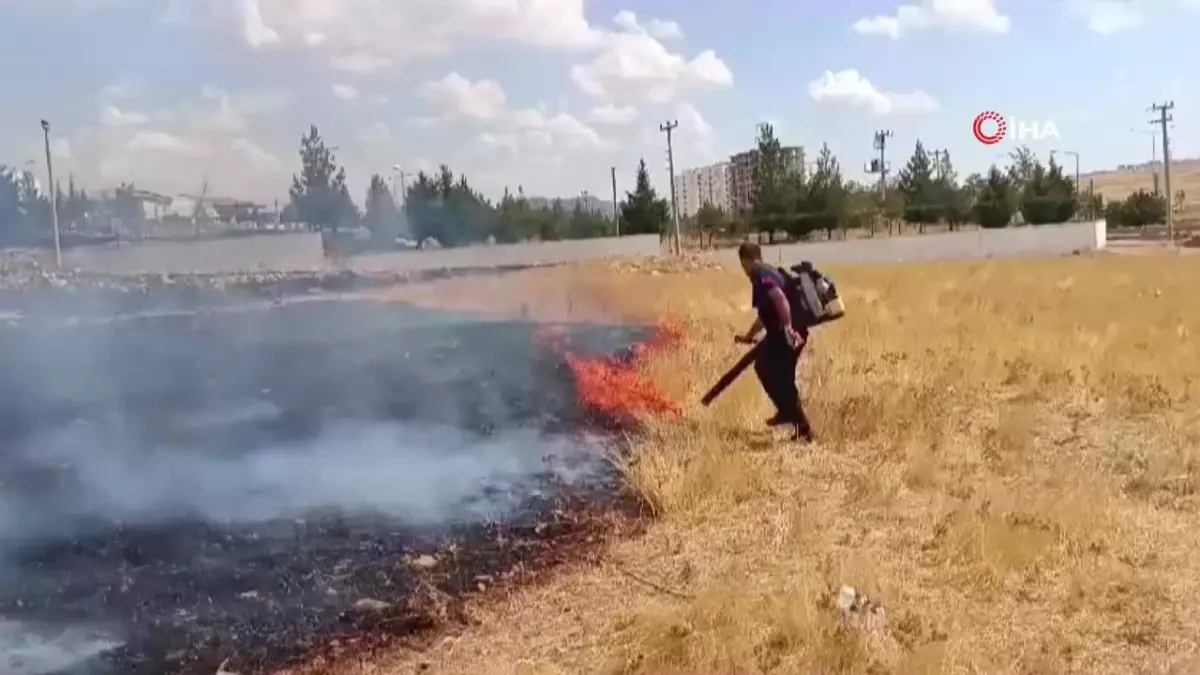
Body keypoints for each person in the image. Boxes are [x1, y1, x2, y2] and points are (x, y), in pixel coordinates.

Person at [733, 242, 815, 443]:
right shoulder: (767, 272)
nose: (742, 269)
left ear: (747, 260)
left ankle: (791, 416)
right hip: (790, 332)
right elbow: (766, 314)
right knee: (781, 377)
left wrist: (787, 327)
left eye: (742, 263)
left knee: (768, 370)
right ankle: (800, 426)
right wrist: (749, 335)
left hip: (788, 334)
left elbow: (779, 299)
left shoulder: (760, 275)